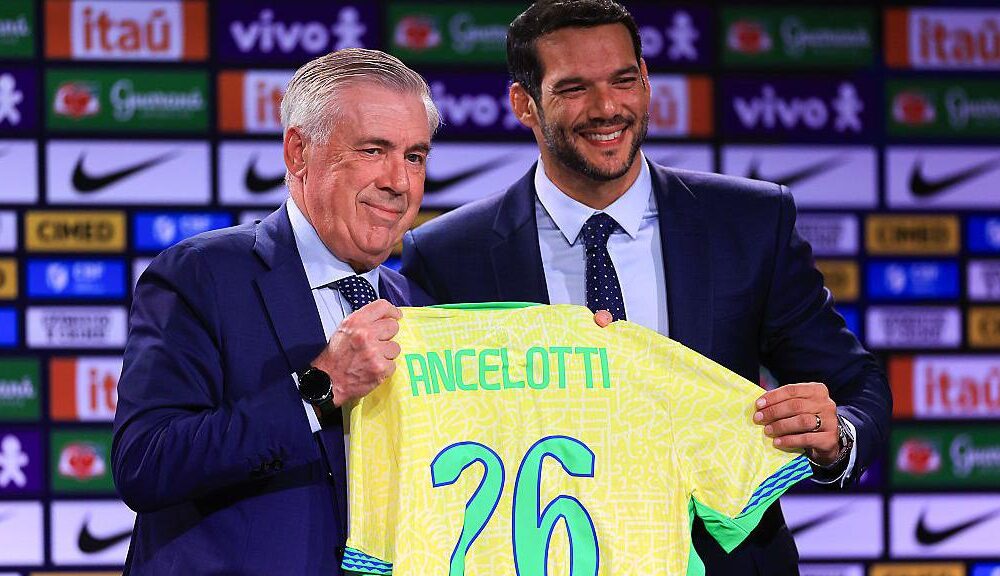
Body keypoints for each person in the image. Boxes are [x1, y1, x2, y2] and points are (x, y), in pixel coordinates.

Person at [400, 1, 891, 574]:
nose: (607, 108)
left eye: (624, 80)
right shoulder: (447, 256)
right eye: (574, 89)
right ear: (524, 106)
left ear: (647, 82)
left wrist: (837, 439)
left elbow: (857, 384)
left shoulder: (750, 223)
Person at [112, 48, 437, 574]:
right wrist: (319, 387)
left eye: (415, 156)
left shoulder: (419, 307)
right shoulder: (202, 275)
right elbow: (146, 463)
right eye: (373, 150)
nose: (399, 182)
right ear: (298, 153)